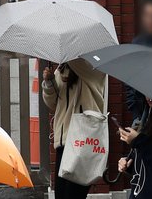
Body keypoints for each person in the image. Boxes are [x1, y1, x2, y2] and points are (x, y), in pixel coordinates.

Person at [42, 60, 109, 199]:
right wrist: (49, 82)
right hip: (64, 142)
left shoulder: (94, 68)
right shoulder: (62, 69)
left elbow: (78, 62)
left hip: (83, 142)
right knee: (61, 195)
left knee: (74, 195)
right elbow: (53, 103)